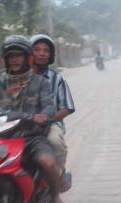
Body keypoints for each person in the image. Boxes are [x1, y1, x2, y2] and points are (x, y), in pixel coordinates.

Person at [0, 35, 66, 203]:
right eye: (11, 56)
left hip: (33, 136)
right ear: (6, 60)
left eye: (19, 55)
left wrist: (44, 116)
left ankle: (55, 196)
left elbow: (49, 106)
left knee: (47, 162)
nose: (15, 60)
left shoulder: (40, 82)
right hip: (3, 137)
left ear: (28, 58)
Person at [31, 34, 76, 192]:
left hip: (51, 123)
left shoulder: (57, 79)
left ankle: (59, 175)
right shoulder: (20, 77)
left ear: (50, 55)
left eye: (45, 50)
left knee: (55, 142)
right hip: (22, 124)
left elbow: (67, 107)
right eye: (37, 50)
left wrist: (48, 120)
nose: (42, 53)